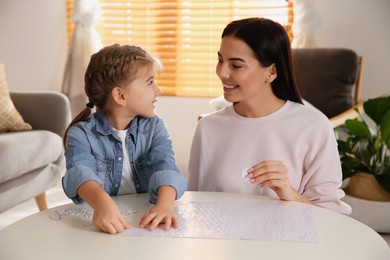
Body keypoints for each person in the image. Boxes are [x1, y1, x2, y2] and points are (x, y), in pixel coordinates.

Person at [188, 17, 351, 215]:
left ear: (271, 71)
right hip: (223, 242)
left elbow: (332, 217)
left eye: (236, 65)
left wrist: (289, 192)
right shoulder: (208, 128)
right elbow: (196, 203)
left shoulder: (313, 126)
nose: (222, 72)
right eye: (220, 60)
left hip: (286, 243)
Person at [62, 44, 188, 234]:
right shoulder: (81, 134)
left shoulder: (155, 127)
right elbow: (80, 173)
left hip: (143, 222)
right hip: (103, 223)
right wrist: (103, 204)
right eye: (150, 82)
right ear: (120, 95)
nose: (158, 90)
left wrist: (165, 206)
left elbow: (166, 166)